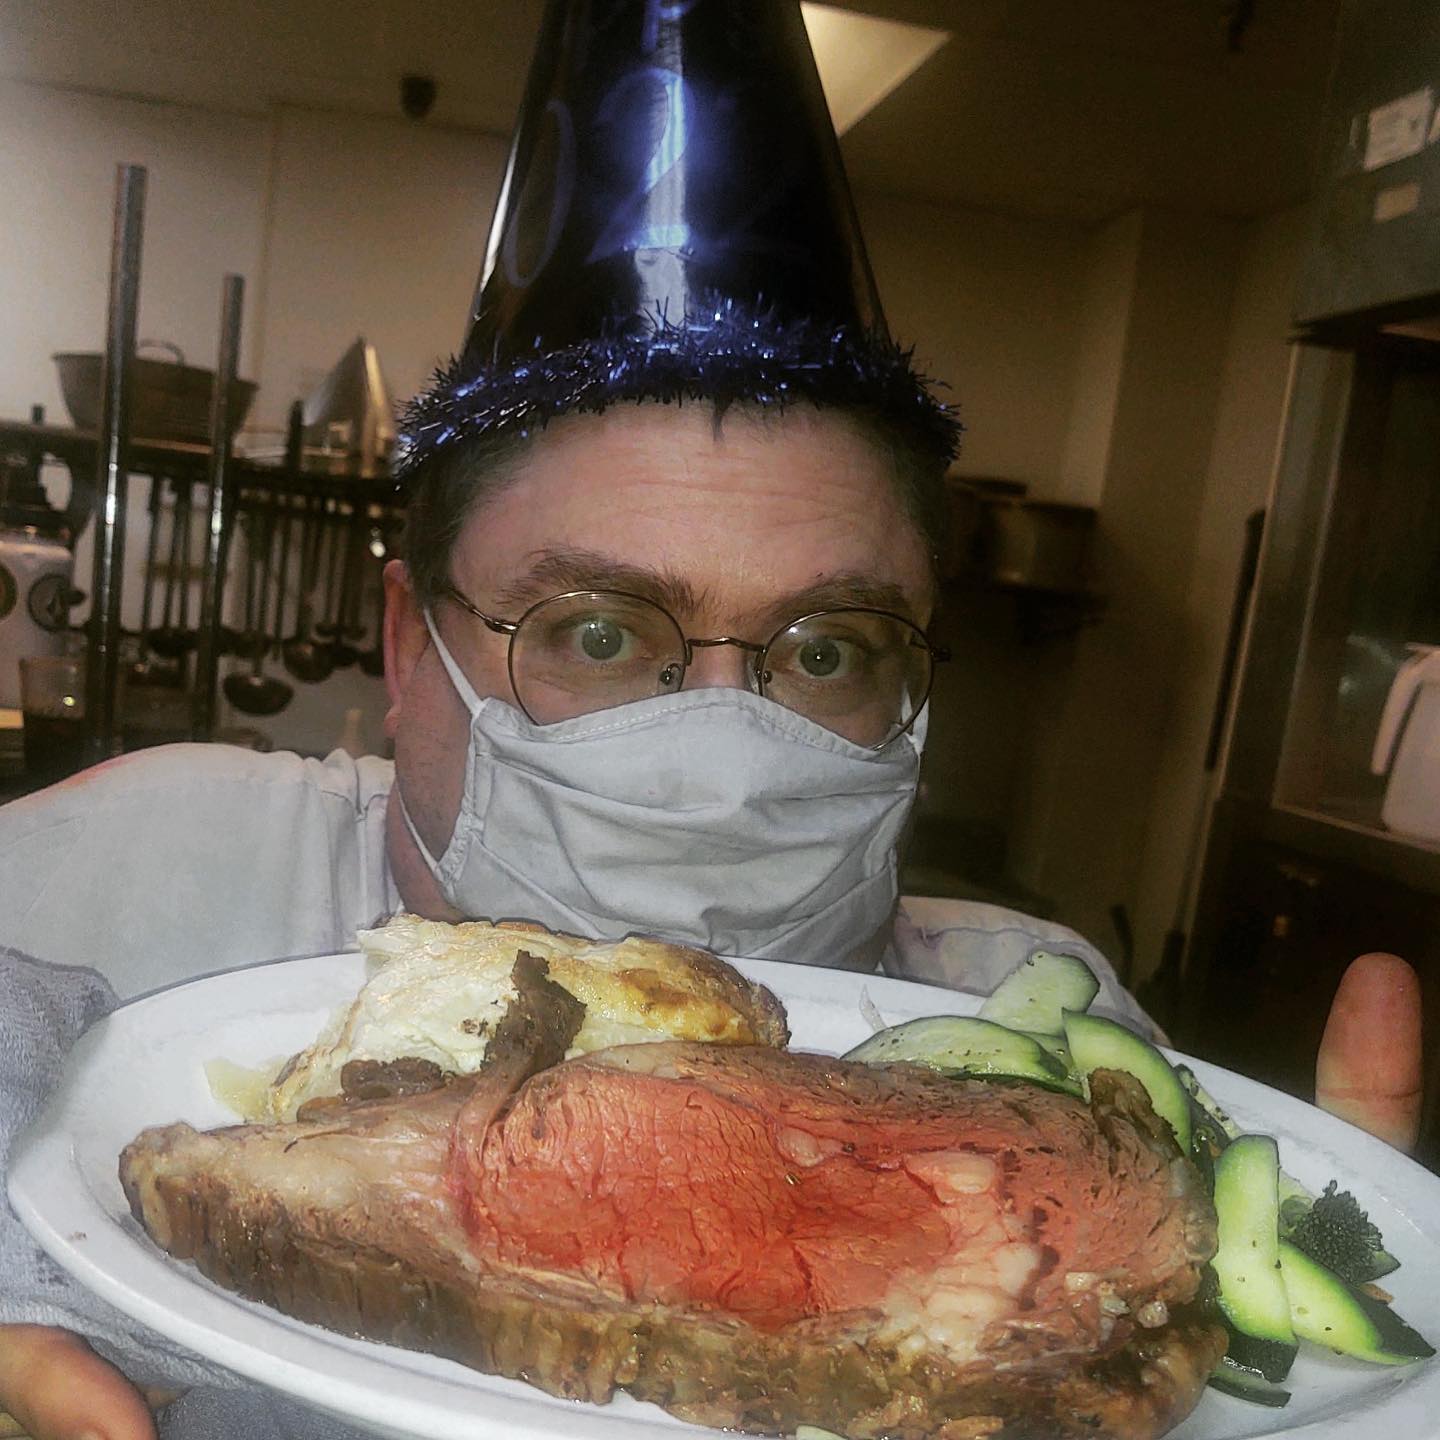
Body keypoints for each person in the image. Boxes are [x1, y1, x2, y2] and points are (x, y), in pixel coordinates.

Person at [0, 2, 1424, 1437]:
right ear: (408, 644)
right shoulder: (136, 873)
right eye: (598, 633)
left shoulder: (1039, 1037)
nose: (725, 756)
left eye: (828, 649)